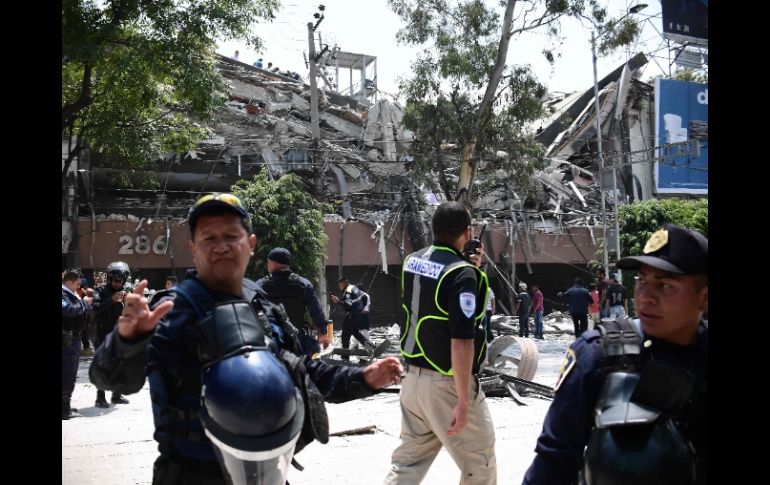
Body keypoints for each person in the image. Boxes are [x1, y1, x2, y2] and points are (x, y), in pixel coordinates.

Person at [89, 192, 403, 484]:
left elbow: (303, 371)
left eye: (231, 236)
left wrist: (362, 377)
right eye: (209, 237)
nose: (221, 246)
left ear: (250, 243)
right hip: (192, 474)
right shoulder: (169, 309)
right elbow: (111, 380)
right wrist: (128, 339)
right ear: (193, 247)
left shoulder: (262, 303)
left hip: (267, 470)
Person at [523, 224, 708, 484]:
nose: (646, 296)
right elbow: (553, 461)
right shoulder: (598, 354)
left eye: (665, 285)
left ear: (704, 297)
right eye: (642, 281)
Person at [384, 201, 496, 485]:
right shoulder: (461, 273)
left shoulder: (414, 261)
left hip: (413, 382)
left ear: (433, 229)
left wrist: (470, 268)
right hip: (447, 383)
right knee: (478, 465)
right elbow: (462, 340)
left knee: (407, 465)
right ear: (468, 231)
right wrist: (462, 399)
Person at [256, 247, 332, 355]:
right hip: (296, 341)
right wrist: (323, 333)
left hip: (271, 343)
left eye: (268, 262)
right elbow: (316, 311)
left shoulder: (261, 285)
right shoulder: (303, 284)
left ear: (272, 262)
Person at [92, 261, 132, 407]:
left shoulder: (126, 291)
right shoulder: (101, 291)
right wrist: (111, 300)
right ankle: (100, 397)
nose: (117, 284)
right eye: (115, 280)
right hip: (103, 333)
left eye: (120, 281)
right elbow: (95, 308)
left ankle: (116, 395)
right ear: (109, 279)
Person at [62, 269, 93, 419]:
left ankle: (65, 405)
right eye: (77, 283)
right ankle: (64, 410)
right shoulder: (63, 293)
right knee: (67, 373)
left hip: (72, 339)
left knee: (69, 373)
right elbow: (68, 310)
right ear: (69, 282)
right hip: (67, 340)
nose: (79, 287)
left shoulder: (71, 293)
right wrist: (84, 304)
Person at [331, 276, 375, 360]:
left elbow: (348, 304)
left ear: (343, 284)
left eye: (340, 285)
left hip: (352, 315)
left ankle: (345, 358)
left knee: (345, 336)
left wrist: (338, 301)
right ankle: (370, 347)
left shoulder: (347, 291)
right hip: (359, 315)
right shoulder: (354, 288)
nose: (339, 287)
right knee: (356, 333)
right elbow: (363, 298)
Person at [78, 277, 95, 355]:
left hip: (84, 315)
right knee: (84, 330)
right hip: (84, 315)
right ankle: (86, 347)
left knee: (84, 330)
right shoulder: (82, 293)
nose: (86, 288)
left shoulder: (83, 295)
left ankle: (86, 347)